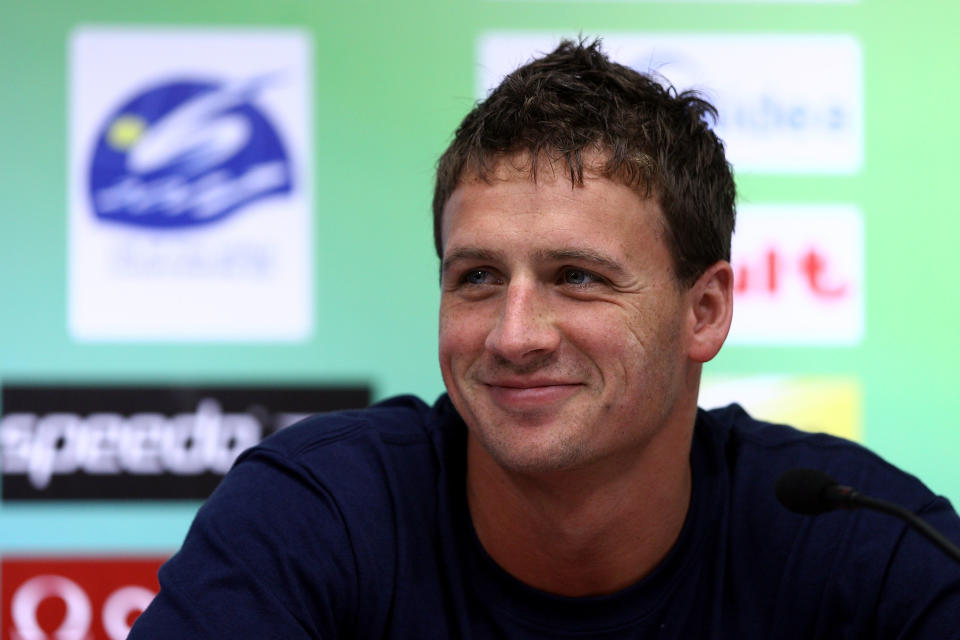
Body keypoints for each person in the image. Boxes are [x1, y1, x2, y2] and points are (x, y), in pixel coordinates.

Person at [129, 39, 960, 638]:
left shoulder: (862, 541)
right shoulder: (318, 510)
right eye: (478, 278)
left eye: (578, 277)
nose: (514, 336)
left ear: (703, 312)